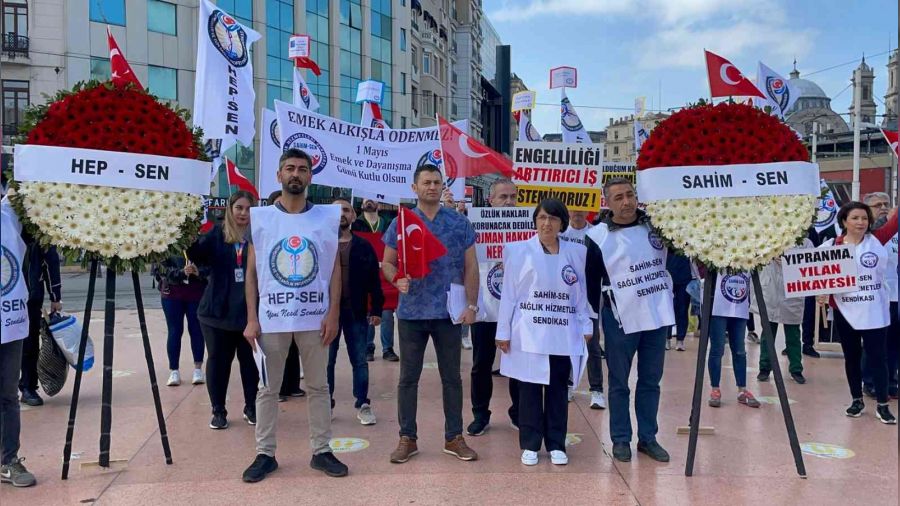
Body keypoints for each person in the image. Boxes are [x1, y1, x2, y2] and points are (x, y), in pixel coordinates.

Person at [242, 149, 348, 482]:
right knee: (267, 388)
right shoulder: (261, 218)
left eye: (302, 169)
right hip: (272, 316)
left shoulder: (326, 218)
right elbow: (252, 274)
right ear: (279, 175)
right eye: (289, 168)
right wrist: (251, 318)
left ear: (310, 176)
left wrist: (334, 312)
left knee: (319, 386)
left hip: (315, 317)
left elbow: (333, 269)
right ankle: (265, 453)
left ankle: (321, 450)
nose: (296, 174)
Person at [382, 165, 479, 464]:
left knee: (452, 378)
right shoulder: (401, 222)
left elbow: (471, 267)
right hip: (412, 313)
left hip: (448, 312)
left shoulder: (458, 222)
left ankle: (454, 437)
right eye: (426, 182)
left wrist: (472, 306)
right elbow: (386, 263)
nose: (432, 187)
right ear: (415, 188)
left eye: (437, 182)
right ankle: (407, 438)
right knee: (408, 379)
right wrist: (395, 278)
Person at [496, 199, 592, 466]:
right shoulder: (517, 251)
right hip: (528, 331)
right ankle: (529, 443)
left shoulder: (576, 252)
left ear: (562, 222)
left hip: (563, 331)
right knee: (528, 387)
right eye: (541, 218)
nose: (546, 223)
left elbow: (580, 294)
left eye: (552, 218)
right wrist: (503, 331)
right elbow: (509, 295)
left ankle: (556, 443)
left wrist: (586, 325)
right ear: (535, 221)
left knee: (558, 388)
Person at [585, 177, 674, 463]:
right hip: (619, 317)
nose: (626, 202)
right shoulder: (597, 236)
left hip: (656, 316)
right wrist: (591, 321)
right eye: (618, 198)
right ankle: (621, 439)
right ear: (608, 203)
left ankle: (648, 438)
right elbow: (591, 282)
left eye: (630, 195)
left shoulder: (656, 227)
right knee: (620, 382)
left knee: (651, 380)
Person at [818, 202, 897, 424]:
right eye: (855, 218)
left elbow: (894, 223)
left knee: (878, 358)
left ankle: (883, 404)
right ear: (844, 221)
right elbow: (813, 276)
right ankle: (856, 399)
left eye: (864, 218)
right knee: (851, 357)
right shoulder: (831, 246)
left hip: (874, 311)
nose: (861, 222)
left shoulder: (877, 240)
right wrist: (821, 293)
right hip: (846, 311)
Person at [189, 191, 260, 430]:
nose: (243, 213)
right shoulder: (217, 235)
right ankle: (218, 410)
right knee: (219, 362)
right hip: (217, 313)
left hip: (248, 313)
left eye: (248, 209)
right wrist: (187, 234)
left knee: (250, 362)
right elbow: (196, 253)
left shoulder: (260, 236)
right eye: (239, 208)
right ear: (230, 209)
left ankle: (251, 407)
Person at [466, 179, 522, 436]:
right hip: (485, 308)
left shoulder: (526, 229)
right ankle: (480, 414)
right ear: (490, 200)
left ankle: (519, 413)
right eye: (503, 197)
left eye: (513, 197)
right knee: (481, 365)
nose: (509, 202)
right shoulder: (474, 227)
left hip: (518, 311)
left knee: (518, 365)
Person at [326, 198, 384, 425]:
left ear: (353, 216)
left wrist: (377, 308)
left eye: (346, 210)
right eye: (337, 210)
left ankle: (363, 403)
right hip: (327, 314)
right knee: (326, 361)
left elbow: (374, 281)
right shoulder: (321, 244)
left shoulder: (363, 246)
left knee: (359, 360)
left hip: (356, 312)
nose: (341, 214)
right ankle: (326, 404)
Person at [1, 196, 37, 487]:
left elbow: (30, 177)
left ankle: (8, 460)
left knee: (7, 395)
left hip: (8, 324)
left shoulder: (7, 213)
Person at [753, 233, 811, 385]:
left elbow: (811, 265)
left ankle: (796, 369)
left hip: (792, 293)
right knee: (767, 333)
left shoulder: (805, 243)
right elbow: (754, 256)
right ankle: (765, 367)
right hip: (771, 291)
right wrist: (771, 256)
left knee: (793, 334)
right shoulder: (768, 237)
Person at [561, 209, 605, 408]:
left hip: (590, 300)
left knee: (592, 344)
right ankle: (568, 384)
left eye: (581, 209)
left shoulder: (597, 235)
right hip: (565, 301)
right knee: (568, 344)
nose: (577, 213)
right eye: (573, 209)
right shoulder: (561, 235)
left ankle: (597, 390)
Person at [267, 190, 306, 402]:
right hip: (275, 304)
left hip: (300, 301)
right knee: (275, 350)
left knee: (293, 349)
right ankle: (278, 388)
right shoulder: (267, 226)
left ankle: (291, 385)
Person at [18, 229, 62, 407]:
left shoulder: (36, 225)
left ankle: (28, 386)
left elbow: (51, 260)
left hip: (30, 295)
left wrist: (55, 297)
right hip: (6, 295)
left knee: (29, 343)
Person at [352, 199, 399, 362]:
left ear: (378, 204)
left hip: (384, 272)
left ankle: (388, 348)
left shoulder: (387, 224)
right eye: (365, 199)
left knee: (387, 312)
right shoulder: (356, 224)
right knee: (367, 310)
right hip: (365, 273)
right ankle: (368, 347)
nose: (368, 202)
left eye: (371, 199)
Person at [705, 272, 760, 408]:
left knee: (740, 350)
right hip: (718, 304)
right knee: (717, 349)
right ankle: (715, 388)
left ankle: (742, 389)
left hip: (740, 304)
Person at [152, 255, 207, 387]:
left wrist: (198, 271)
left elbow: (210, 263)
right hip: (172, 292)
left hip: (196, 291)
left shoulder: (200, 240)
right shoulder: (166, 241)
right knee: (174, 331)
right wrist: (181, 273)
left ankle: (198, 369)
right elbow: (159, 268)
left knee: (197, 329)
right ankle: (174, 370)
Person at [666, 253, 693, 352]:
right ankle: (667, 338)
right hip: (667, 274)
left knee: (682, 308)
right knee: (667, 308)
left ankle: (680, 340)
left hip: (685, 276)